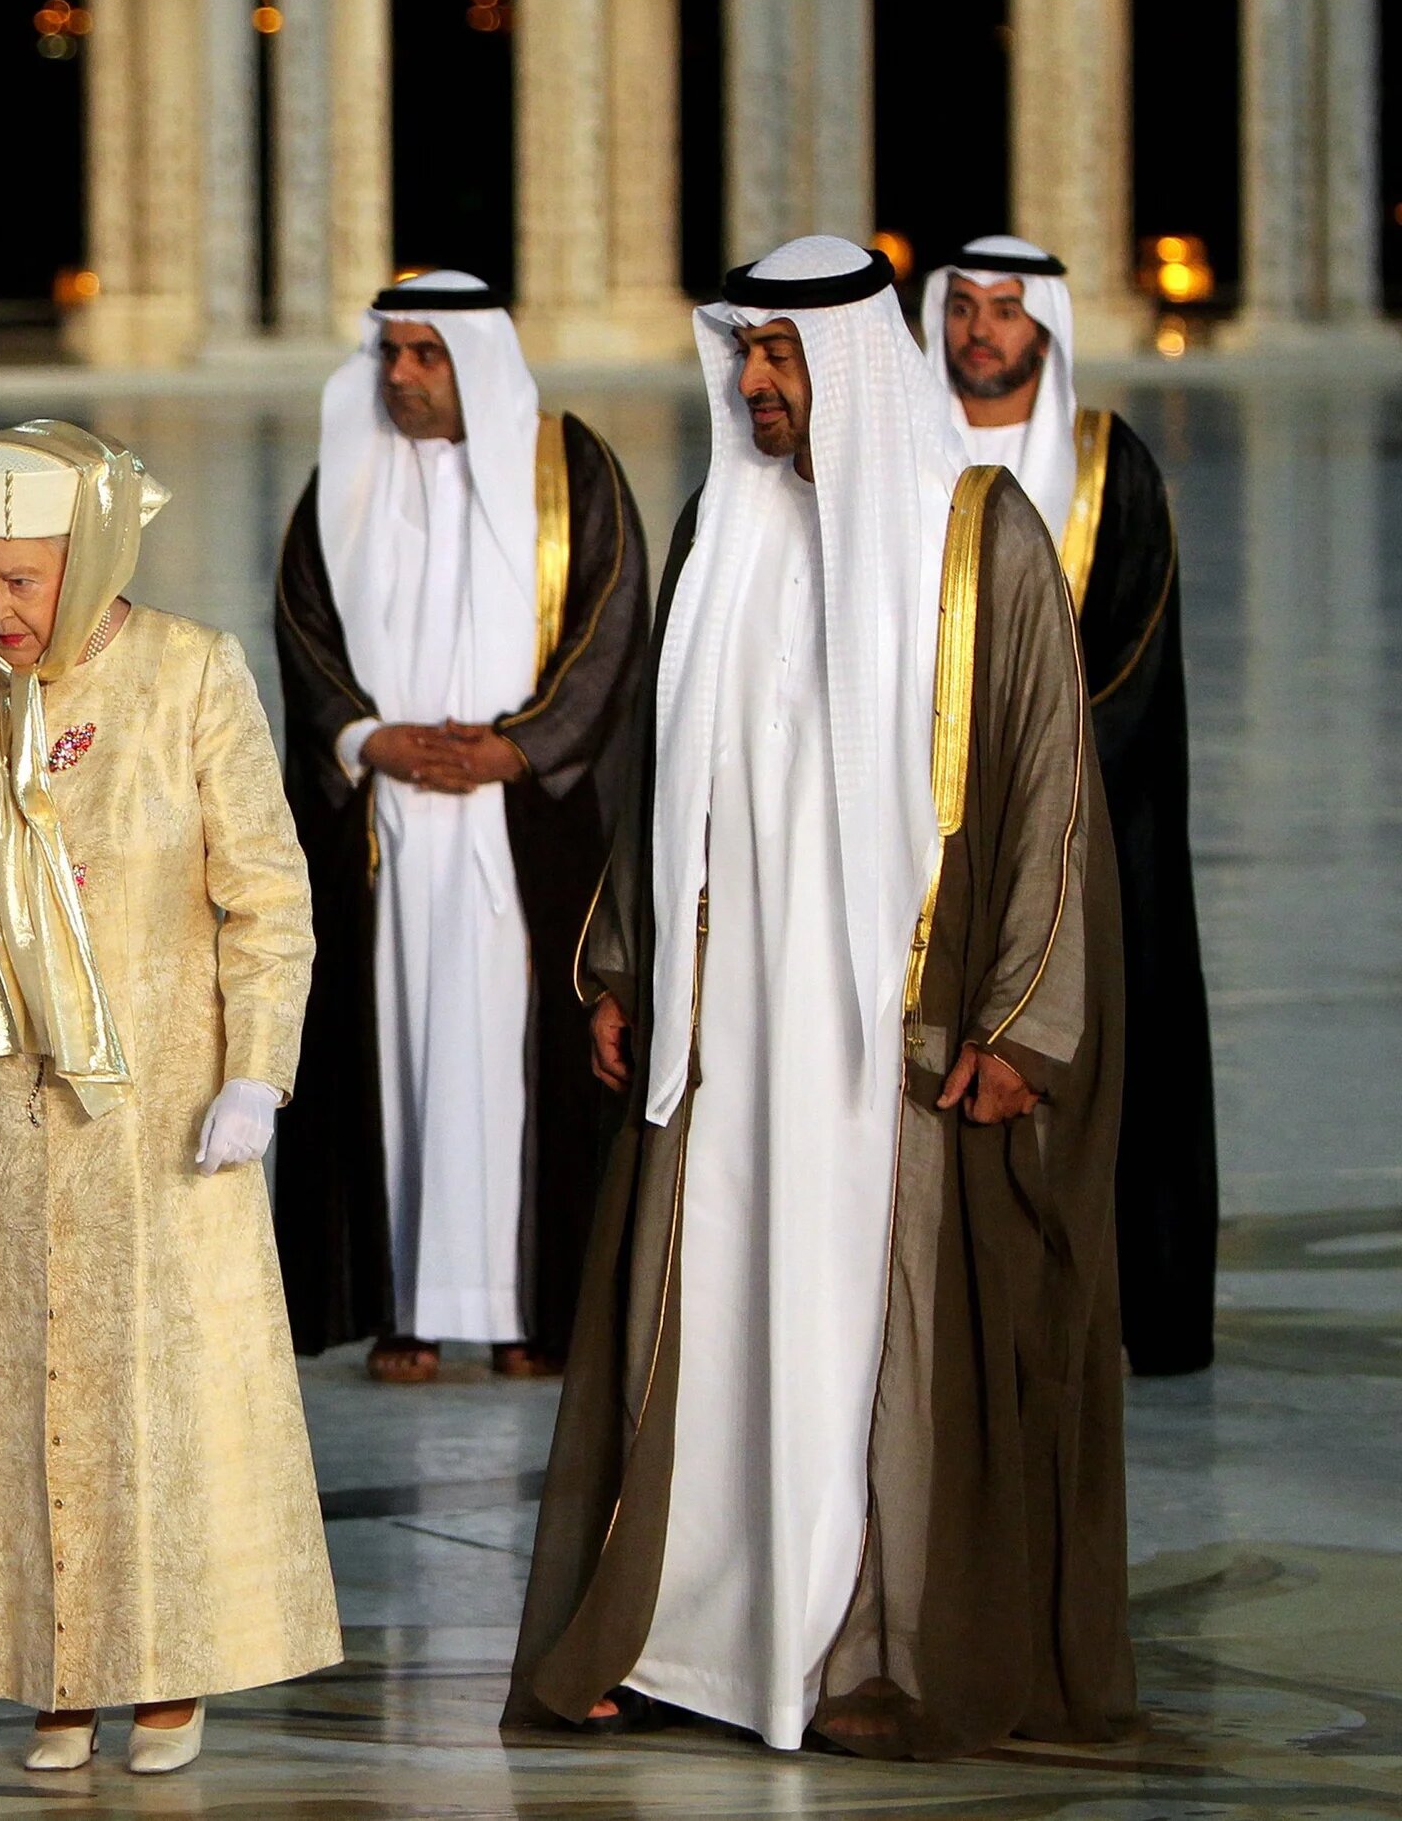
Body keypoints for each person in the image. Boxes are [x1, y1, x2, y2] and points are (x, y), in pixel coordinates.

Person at [503, 238, 1134, 1760]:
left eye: (785, 360)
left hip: (888, 1046)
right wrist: (622, 961)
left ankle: (869, 1647)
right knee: (713, 1311)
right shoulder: (727, 521)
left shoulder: (977, 540)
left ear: (845, 363)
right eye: (750, 360)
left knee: (863, 1327)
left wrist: (1023, 1020)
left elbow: (1053, 794)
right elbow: (662, 779)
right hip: (732, 1032)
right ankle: (685, 1636)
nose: (762, 386)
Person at [0, 420, 338, 1776]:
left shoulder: (187, 675)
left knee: (149, 1395)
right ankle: (48, 1667)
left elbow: (269, 897)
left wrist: (258, 1071)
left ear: (95, 554)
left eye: (24, 579)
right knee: (8, 1390)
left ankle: (163, 1664)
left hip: (162, 1117)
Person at [271, 270, 650, 1382]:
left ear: (474, 359)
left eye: (427, 355)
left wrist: (517, 745)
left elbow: (612, 619)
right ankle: (402, 1305)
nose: (400, 376)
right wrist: (365, 740)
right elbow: (301, 627)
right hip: (384, 828)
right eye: (389, 353)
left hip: (516, 827)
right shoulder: (340, 477)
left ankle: (528, 1310)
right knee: (389, 1054)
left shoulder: (566, 469)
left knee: (518, 1061)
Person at [923, 234, 1217, 1375]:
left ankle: (1124, 1306)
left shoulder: (1108, 467)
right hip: (931, 832)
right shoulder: (907, 460)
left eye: (1003, 309)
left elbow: (1132, 658)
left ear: (1041, 325)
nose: (978, 331)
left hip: (1096, 834)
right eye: (960, 309)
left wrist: (1021, 783)